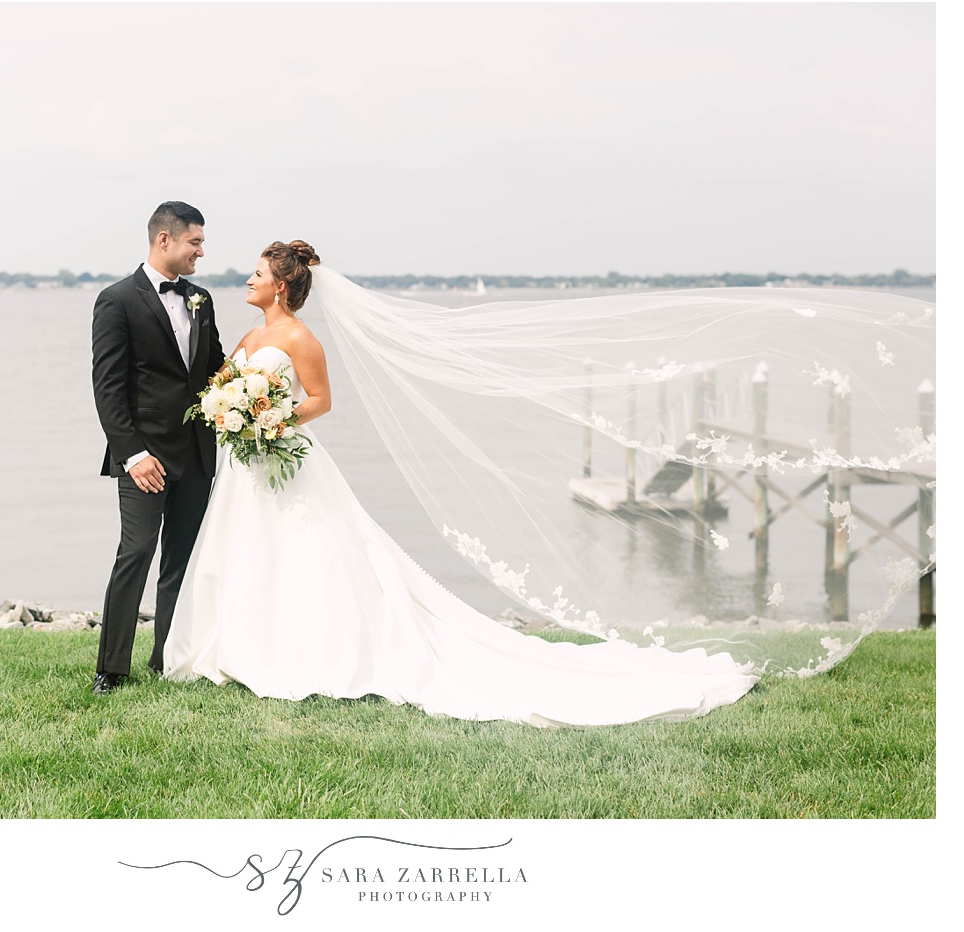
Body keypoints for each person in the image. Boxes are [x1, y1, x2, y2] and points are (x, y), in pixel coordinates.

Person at [162, 241, 764, 727]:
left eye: (258, 273)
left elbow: (319, 400)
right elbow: (223, 385)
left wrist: (270, 417)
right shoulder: (248, 338)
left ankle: (306, 651)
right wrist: (231, 410)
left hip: (284, 454)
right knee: (249, 551)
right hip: (248, 465)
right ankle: (239, 647)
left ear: (282, 286)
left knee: (304, 552)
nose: (249, 279)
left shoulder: (299, 338)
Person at [90, 201, 226, 696]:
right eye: (195, 242)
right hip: (143, 458)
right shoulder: (117, 300)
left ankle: (165, 657)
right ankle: (112, 668)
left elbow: (214, 366)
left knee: (182, 560)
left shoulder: (202, 300)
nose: (201, 252)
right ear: (164, 240)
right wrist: (132, 455)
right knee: (137, 552)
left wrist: (257, 392)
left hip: (195, 454)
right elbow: (108, 387)